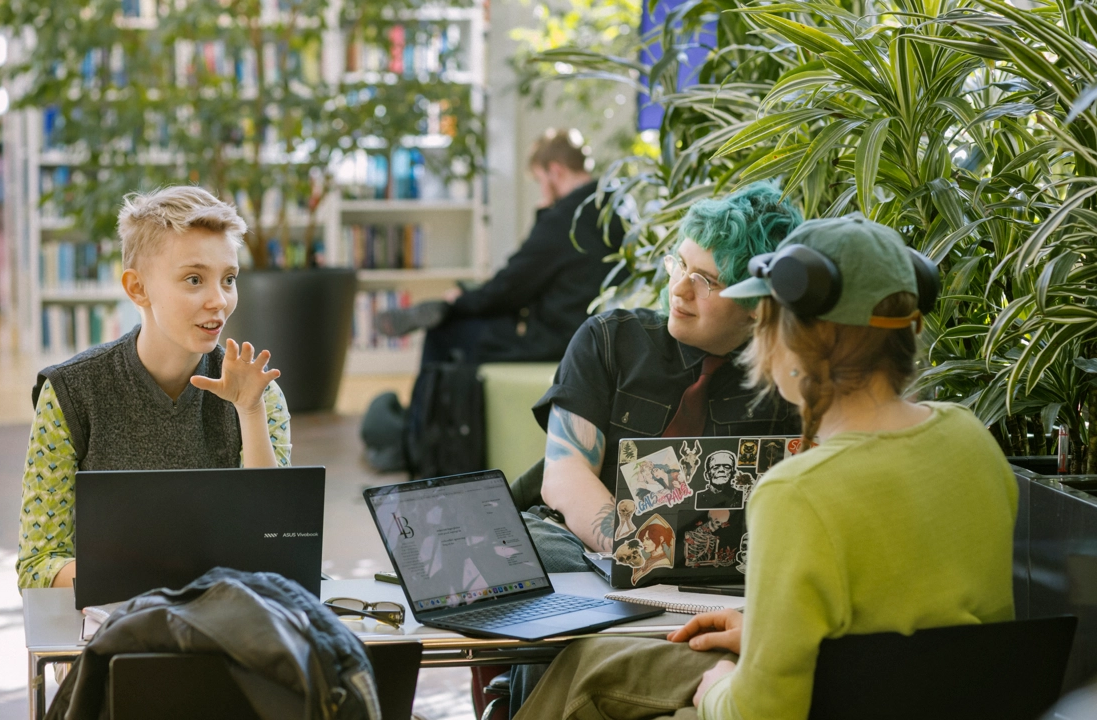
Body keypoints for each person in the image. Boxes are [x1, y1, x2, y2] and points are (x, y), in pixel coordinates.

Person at [513, 215, 1018, 720]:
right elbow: (902, 614)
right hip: (932, 702)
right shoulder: (972, 441)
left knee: (581, 671)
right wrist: (767, 627)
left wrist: (718, 685)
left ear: (801, 341)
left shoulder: (796, 494)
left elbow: (758, 713)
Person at [15, 186, 292, 589]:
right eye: (194, 279)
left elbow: (275, 545)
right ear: (137, 288)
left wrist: (249, 412)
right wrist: (153, 577)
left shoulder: (258, 391)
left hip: (231, 623)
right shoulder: (70, 393)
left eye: (229, 279)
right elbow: (38, 564)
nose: (219, 300)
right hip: (116, 629)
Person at [532, 182, 802, 559]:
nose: (679, 289)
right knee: (537, 545)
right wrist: (641, 556)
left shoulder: (785, 379)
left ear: (756, 304)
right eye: (680, 264)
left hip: (728, 572)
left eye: (704, 281)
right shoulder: (610, 340)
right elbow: (565, 476)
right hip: (591, 551)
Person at [376, 128, 625, 364]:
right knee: (482, 307)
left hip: (554, 341)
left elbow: (512, 285)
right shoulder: (616, 209)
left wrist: (460, 303)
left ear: (555, 172)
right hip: (595, 335)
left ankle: (423, 408)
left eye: (540, 180)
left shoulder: (563, 220)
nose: (541, 189)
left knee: (445, 330)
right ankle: (451, 307)